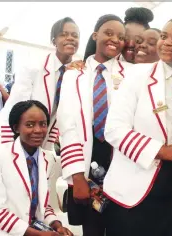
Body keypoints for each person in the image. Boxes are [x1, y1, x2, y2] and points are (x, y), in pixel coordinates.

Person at [103, 16, 172, 236]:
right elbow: (115, 129)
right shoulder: (137, 75)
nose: (166, 42)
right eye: (164, 36)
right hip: (134, 192)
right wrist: (163, 151)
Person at [58, 14, 131, 236]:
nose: (115, 39)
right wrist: (77, 175)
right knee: (93, 227)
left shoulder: (129, 73)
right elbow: (67, 123)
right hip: (87, 157)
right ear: (95, 35)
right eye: (109, 33)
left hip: (119, 156)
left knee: (121, 225)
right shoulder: (74, 73)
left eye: (121, 36)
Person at [0, 100, 73, 236]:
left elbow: (44, 205)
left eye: (43, 124)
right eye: (29, 125)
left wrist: (56, 225)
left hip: (34, 228)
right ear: (16, 127)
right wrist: (37, 234)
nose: (38, 130)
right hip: (1, 231)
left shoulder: (47, 159)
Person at [0, 17, 80, 152]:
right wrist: (11, 147)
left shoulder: (76, 74)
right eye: (63, 34)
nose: (70, 38)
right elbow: (15, 107)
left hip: (40, 142)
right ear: (54, 40)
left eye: (75, 35)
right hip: (10, 138)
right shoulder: (34, 66)